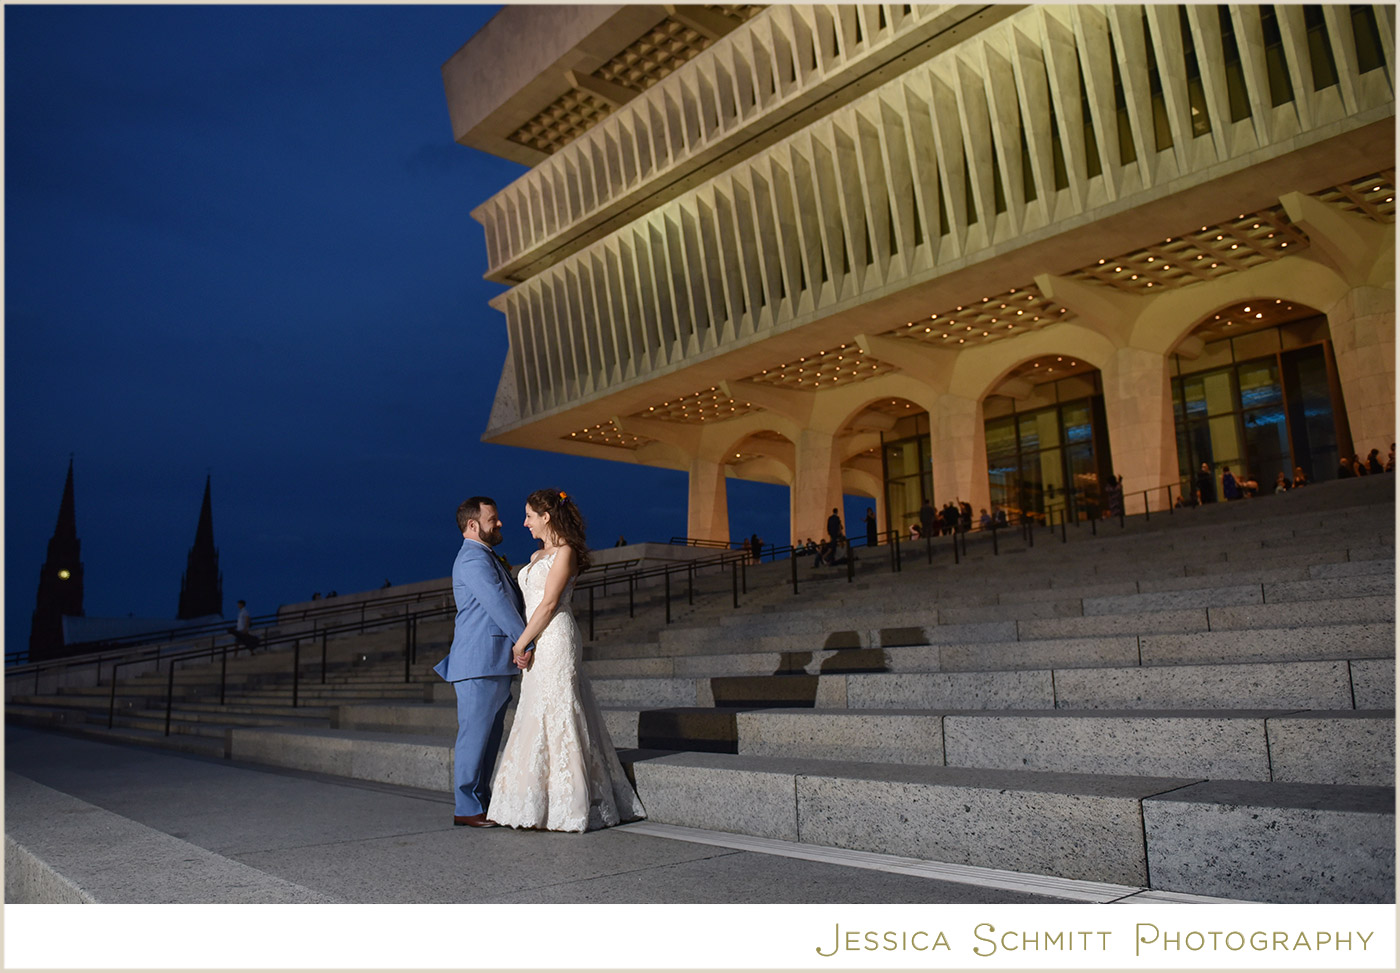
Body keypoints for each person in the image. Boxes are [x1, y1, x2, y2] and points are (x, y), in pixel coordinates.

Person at [489, 489, 645, 832]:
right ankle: (533, 803)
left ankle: (569, 804)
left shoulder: (566, 553)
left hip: (556, 638)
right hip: (535, 638)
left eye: (530, 515)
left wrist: (521, 643)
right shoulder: (536, 554)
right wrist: (525, 640)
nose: (525, 522)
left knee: (559, 708)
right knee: (534, 710)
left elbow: (548, 604)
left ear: (546, 517)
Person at [432, 497, 530, 829]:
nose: (500, 523)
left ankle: (480, 802)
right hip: (479, 662)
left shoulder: (484, 556)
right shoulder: (473, 559)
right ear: (473, 525)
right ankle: (466, 806)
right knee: (475, 736)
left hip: (492, 662)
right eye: (493, 519)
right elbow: (498, 604)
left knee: (488, 738)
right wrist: (525, 639)